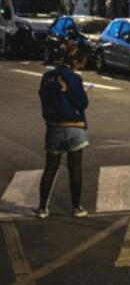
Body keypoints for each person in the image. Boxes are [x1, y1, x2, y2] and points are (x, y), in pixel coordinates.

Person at [36, 43, 91, 219]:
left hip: (53, 125)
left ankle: (43, 208)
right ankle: (76, 207)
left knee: (50, 168)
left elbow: (43, 97)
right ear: (74, 62)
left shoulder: (47, 77)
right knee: (74, 167)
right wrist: (80, 91)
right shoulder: (73, 78)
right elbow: (82, 103)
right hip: (74, 126)